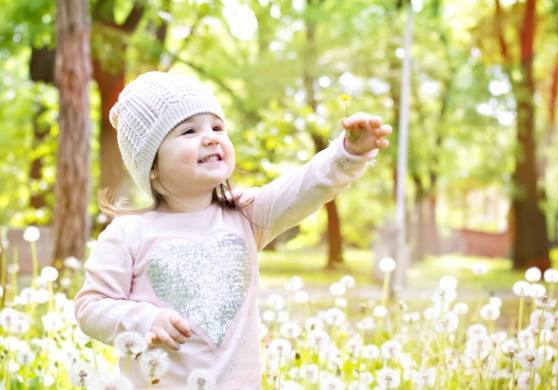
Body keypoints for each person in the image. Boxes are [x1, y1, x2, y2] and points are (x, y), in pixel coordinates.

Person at [73, 71, 392, 389]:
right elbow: (90, 307)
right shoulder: (128, 234)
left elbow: (305, 187)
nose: (210, 137)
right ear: (151, 166)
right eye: (188, 131)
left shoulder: (246, 215)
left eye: (217, 127)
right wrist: (145, 320)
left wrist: (347, 153)